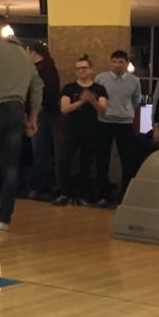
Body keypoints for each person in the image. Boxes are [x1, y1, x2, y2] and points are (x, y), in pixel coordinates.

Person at [0, 14, 43, 230]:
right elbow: (38, 85)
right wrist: (33, 117)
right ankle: (4, 219)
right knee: (11, 166)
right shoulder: (23, 53)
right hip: (16, 111)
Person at [54, 56, 109, 206]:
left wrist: (92, 100)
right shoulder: (69, 88)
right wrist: (81, 101)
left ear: (91, 70)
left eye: (84, 68)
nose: (81, 71)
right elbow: (64, 108)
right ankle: (64, 193)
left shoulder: (99, 89)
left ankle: (84, 195)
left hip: (91, 131)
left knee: (86, 164)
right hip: (71, 130)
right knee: (65, 161)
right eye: (78, 68)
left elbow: (103, 110)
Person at [94, 50, 142, 205]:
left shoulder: (134, 81)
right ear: (110, 62)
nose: (117, 65)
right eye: (114, 61)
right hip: (104, 122)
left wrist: (126, 112)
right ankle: (102, 194)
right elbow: (95, 99)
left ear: (126, 63)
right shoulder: (101, 78)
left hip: (125, 123)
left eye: (121, 62)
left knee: (127, 159)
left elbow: (136, 100)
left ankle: (126, 193)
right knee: (102, 158)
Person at [27, 42, 61, 200]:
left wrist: (35, 111)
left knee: (40, 151)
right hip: (41, 113)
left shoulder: (44, 69)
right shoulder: (44, 68)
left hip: (41, 114)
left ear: (32, 52)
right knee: (41, 151)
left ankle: (42, 187)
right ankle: (41, 186)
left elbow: (47, 93)